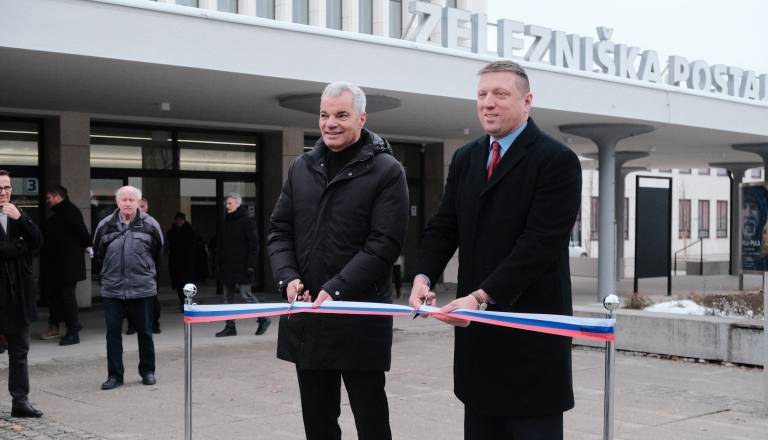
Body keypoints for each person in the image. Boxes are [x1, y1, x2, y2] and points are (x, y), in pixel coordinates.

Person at [409, 61, 582, 440]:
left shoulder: (556, 161)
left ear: (527, 101)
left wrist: (481, 296)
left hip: (532, 337)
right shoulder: (467, 158)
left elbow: (538, 245)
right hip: (480, 342)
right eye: (482, 94)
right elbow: (444, 225)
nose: (488, 103)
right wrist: (423, 276)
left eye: (500, 94)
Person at [268, 81, 409, 440]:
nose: (331, 123)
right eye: (324, 115)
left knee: (371, 420)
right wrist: (287, 278)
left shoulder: (387, 171)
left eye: (341, 115)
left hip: (359, 318)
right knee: (317, 423)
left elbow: (384, 244)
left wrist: (338, 287)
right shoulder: (302, 167)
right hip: (309, 319)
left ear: (361, 118)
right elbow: (279, 230)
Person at [93, 185, 164, 390]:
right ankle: (115, 376)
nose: (127, 203)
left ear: (138, 202)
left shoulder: (150, 225)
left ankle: (148, 371)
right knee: (112, 334)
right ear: (117, 202)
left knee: (145, 332)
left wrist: (146, 272)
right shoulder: (105, 225)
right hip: (113, 290)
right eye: (123, 199)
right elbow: (98, 256)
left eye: (131, 200)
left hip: (142, 288)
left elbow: (158, 254)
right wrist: (107, 275)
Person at [0, 170, 44, 417]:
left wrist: (21, 218)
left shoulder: (18, 214)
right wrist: (19, 246)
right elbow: (7, 250)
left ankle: (20, 401)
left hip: (19, 297)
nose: (4, 193)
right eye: (0, 189)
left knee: (20, 353)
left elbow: (37, 241)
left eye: (7, 188)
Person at [40, 185, 92, 346]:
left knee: (67, 299)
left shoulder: (70, 212)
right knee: (57, 297)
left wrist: (88, 246)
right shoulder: (61, 213)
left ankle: (73, 332)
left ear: (57, 197)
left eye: (49, 198)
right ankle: (60, 326)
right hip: (59, 265)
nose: (47, 201)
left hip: (68, 266)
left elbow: (83, 234)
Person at [214, 193, 270, 336]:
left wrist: (251, 265)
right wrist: (218, 263)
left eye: (230, 203)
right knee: (228, 298)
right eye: (226, 203)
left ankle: (264, 318)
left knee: (246, 295)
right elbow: (220, 245)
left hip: (243, 266)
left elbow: (254, 246)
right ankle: (230, 326)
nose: (227, 206)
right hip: (227, 267)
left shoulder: (247, 222)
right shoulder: (225, 222)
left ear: (238, 204)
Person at [126, 197, 161, 334]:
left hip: (147, 269)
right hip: (130, 269)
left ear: (146, 208)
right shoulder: (126, 224)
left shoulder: (152, 225)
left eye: (141, 206)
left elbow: (159, 247)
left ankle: (154, 324)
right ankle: (132, 325)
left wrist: (151, 265)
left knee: (151, 299)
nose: (138, 209)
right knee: (130, 299)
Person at [167, 212, 196, 309]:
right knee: (179, 284)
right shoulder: (172, 232)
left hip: (186, 262)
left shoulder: (189, 232)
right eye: (177, 220)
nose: (179, 222)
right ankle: (183, 302)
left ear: (183, 220)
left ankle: (187, 302)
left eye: (180, 220)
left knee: (187, 284)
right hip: (176, 262)